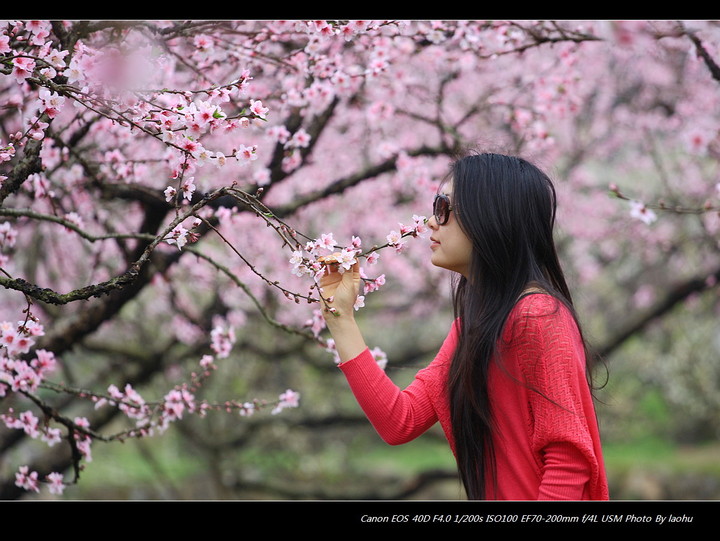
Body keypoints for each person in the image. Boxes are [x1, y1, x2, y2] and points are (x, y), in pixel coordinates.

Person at [319, 151, 609, 500]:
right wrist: (340, 317)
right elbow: (400, 420)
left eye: (444, 208)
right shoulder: (472, 329)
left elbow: (568, 460)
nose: (430, 222)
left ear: (490, 216)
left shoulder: (538, 316)